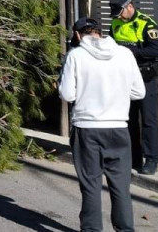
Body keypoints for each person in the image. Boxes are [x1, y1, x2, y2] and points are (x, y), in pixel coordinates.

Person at [59, 17, 146, 232]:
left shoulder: (76, 56)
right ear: (100, 32)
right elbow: (139, 92)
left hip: (87, 128)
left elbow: (67, 94)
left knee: (91, 186)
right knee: (120, 187)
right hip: (118, 127)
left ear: (78, 35)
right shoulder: (125, 54)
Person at [108, 0, 158, 175]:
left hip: (145, 77)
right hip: (124, 78)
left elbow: (156, 50)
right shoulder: (116, 23)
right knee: (129, 119)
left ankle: (151, 160)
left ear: (129, 7)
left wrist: (129, 51)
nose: (118, 16)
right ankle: (133, 158)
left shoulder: (146, 23)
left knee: (148, 120)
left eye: (120, 12)